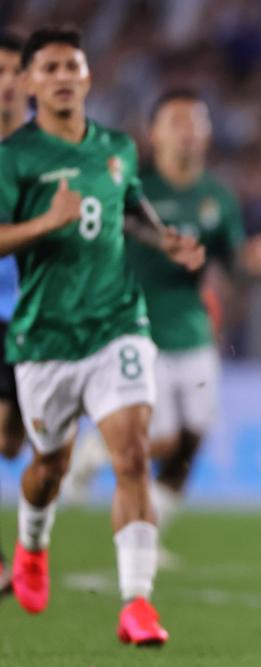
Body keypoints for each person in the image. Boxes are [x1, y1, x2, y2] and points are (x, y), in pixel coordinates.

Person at [0, 27, 203, 645]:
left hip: (118, 324)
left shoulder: (116, 146)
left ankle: (136, 602)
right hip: (44, 339)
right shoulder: (15, 157)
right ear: (31, 82)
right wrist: (46, 222)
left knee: (133, 453)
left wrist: (163, 236)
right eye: (50, 68)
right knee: (48, 467)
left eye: (72, 66)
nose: (62, 77)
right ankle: (32, 545)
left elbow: (130, 208)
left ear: (87, 77)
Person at [60, 89, 261, 563]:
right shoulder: (134, 188)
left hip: (192, 329)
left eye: (196, 122)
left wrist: (251, 263)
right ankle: (99, 450)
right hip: (134, 327)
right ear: (154, 132)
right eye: (177, 121)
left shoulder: (216, 196)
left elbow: (232, 265)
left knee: (193, 438)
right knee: (163, 435)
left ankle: (149, 528)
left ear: (209, 133)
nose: (188, 131)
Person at [0, 29, 27, 598]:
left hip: (35, 315)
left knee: (11, 440)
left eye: (12, 74)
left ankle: (33, 544)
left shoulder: (56, 151)